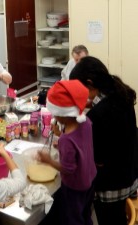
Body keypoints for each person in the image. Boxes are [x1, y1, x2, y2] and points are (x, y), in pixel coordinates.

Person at [69, 56, 138, 225]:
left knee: (110, 219)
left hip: (111, 184)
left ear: (90, 83)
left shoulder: (98, 115)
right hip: (129, 172)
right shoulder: (120, 92)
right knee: (117, 217)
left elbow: (95, 159)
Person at [38, 80, 96, 225]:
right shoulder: (86, 121)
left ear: (60, 115)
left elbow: (69, 169)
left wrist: (48, 160)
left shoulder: (66, 140)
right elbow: (81, 144)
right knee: (85, 213)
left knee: (72, 218)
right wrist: (59, 133)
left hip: (75, 187)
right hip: (90, 178)